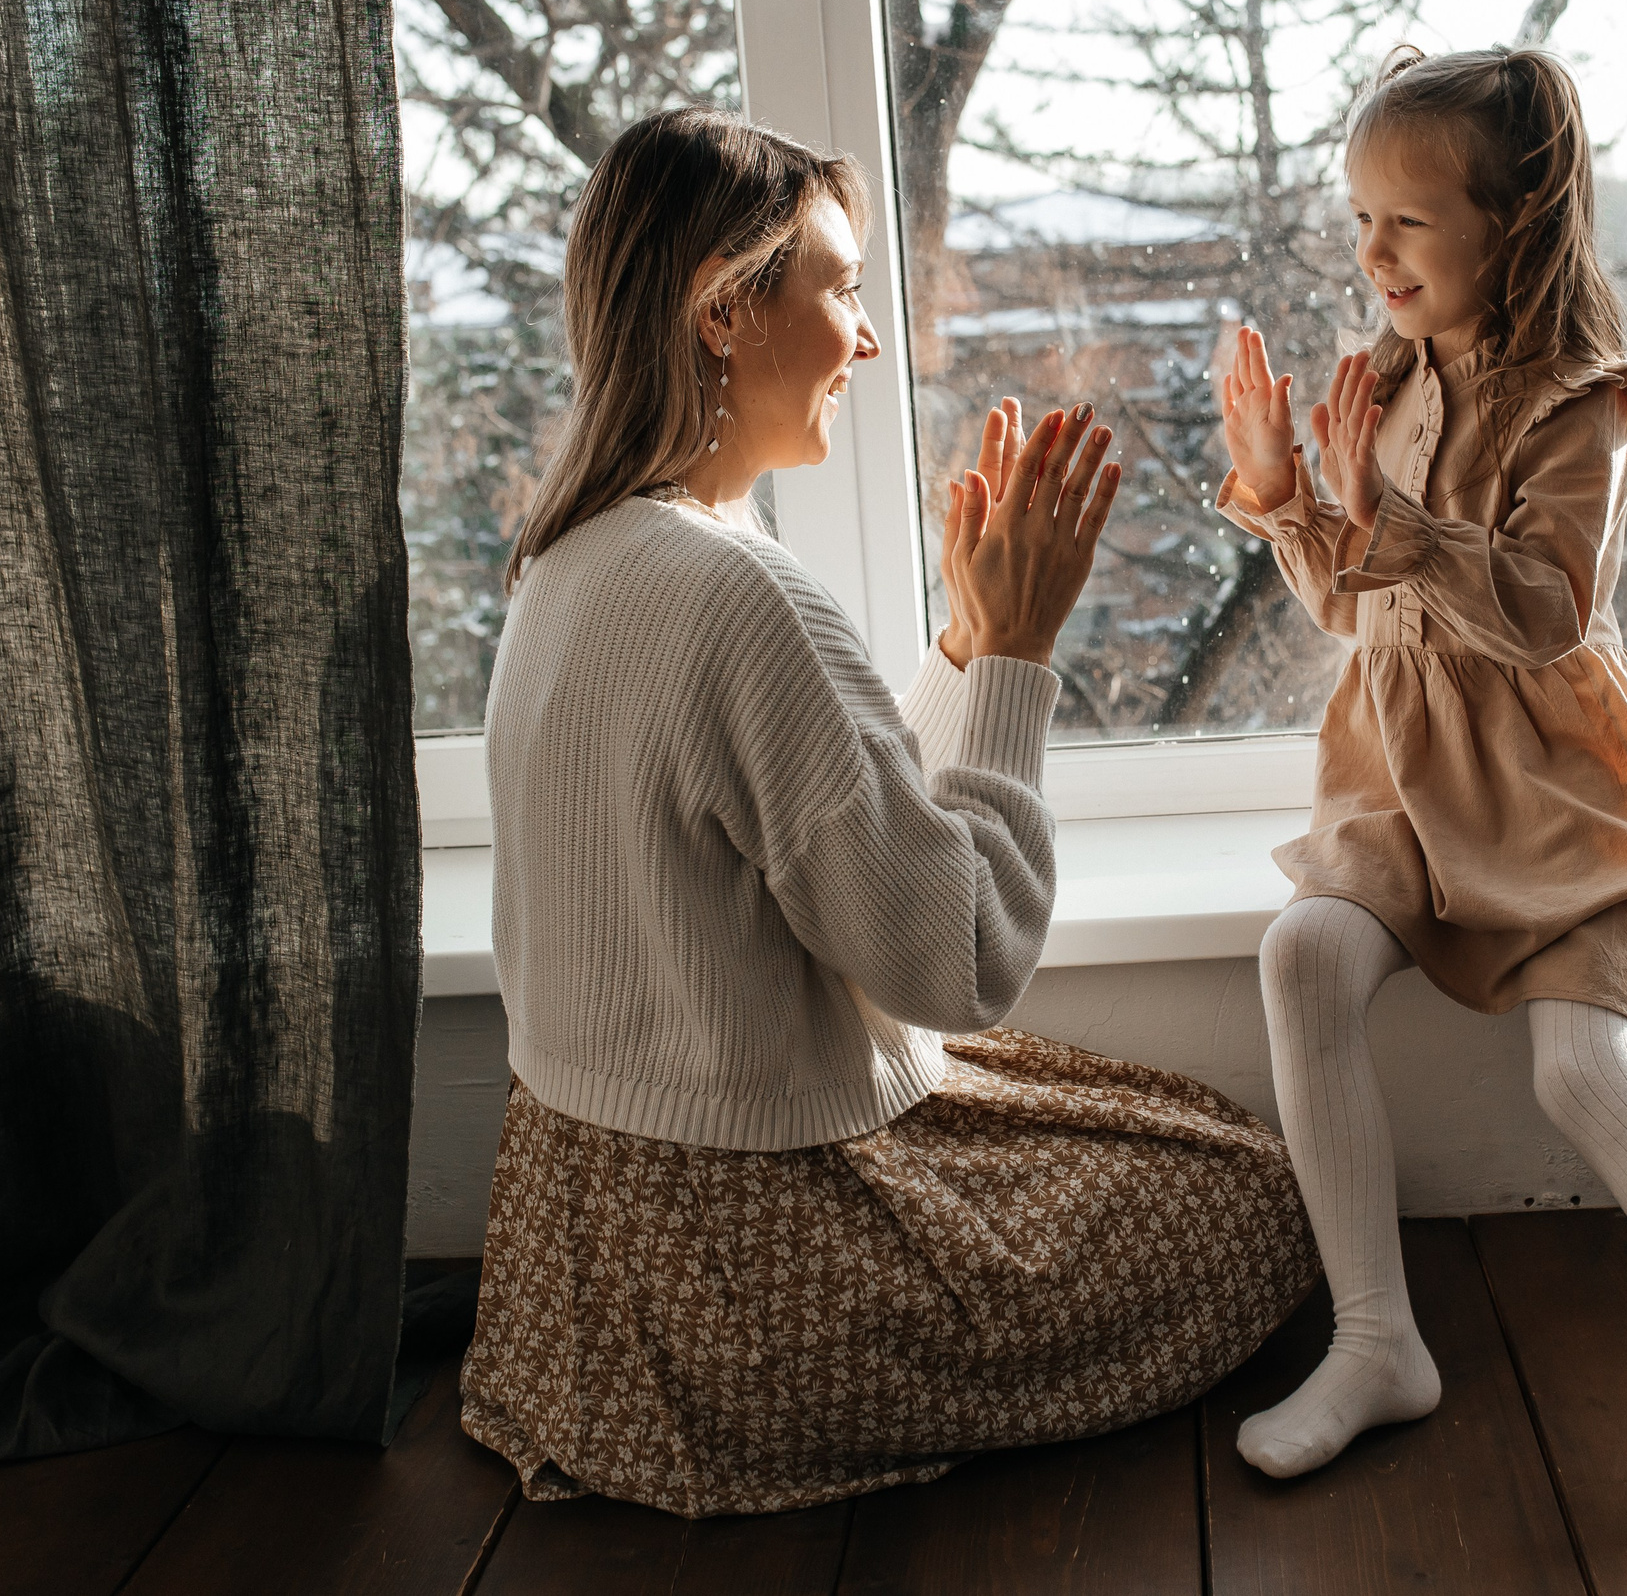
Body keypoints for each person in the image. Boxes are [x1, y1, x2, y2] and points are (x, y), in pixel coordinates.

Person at [458, 108, 1317, 1519]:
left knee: (1157, 1125)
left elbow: (839, 837)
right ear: (724, 312)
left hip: (584, 1260)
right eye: (843, 288)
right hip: (742, 1267)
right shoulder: (737, 593)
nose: (865, 339)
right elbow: (956, 963)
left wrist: (962, 647)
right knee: (1253, 1201)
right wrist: (1022, 660)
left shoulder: (573, 559)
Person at [1212, 47, 1627, 1579]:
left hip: (1549, 786)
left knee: (1583, 1073)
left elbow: (1542, 613)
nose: (1373, 252)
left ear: (1511, 223)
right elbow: (1357, 605)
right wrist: (1285, 496)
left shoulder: (1580, 402)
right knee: (1304, 955)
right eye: (1360, 218)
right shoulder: (1389, 375)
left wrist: (1388, 519)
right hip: (1403, 778)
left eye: (1407, 222)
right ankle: (1377, 1342)